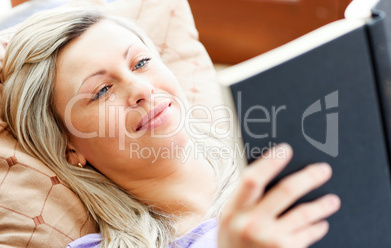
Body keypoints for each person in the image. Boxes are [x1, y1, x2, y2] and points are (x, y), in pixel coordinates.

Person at [0, 8, 340, 248]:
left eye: (141, 62)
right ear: (69, 148)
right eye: (102, 91)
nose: (141, 90)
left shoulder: (291, 152)